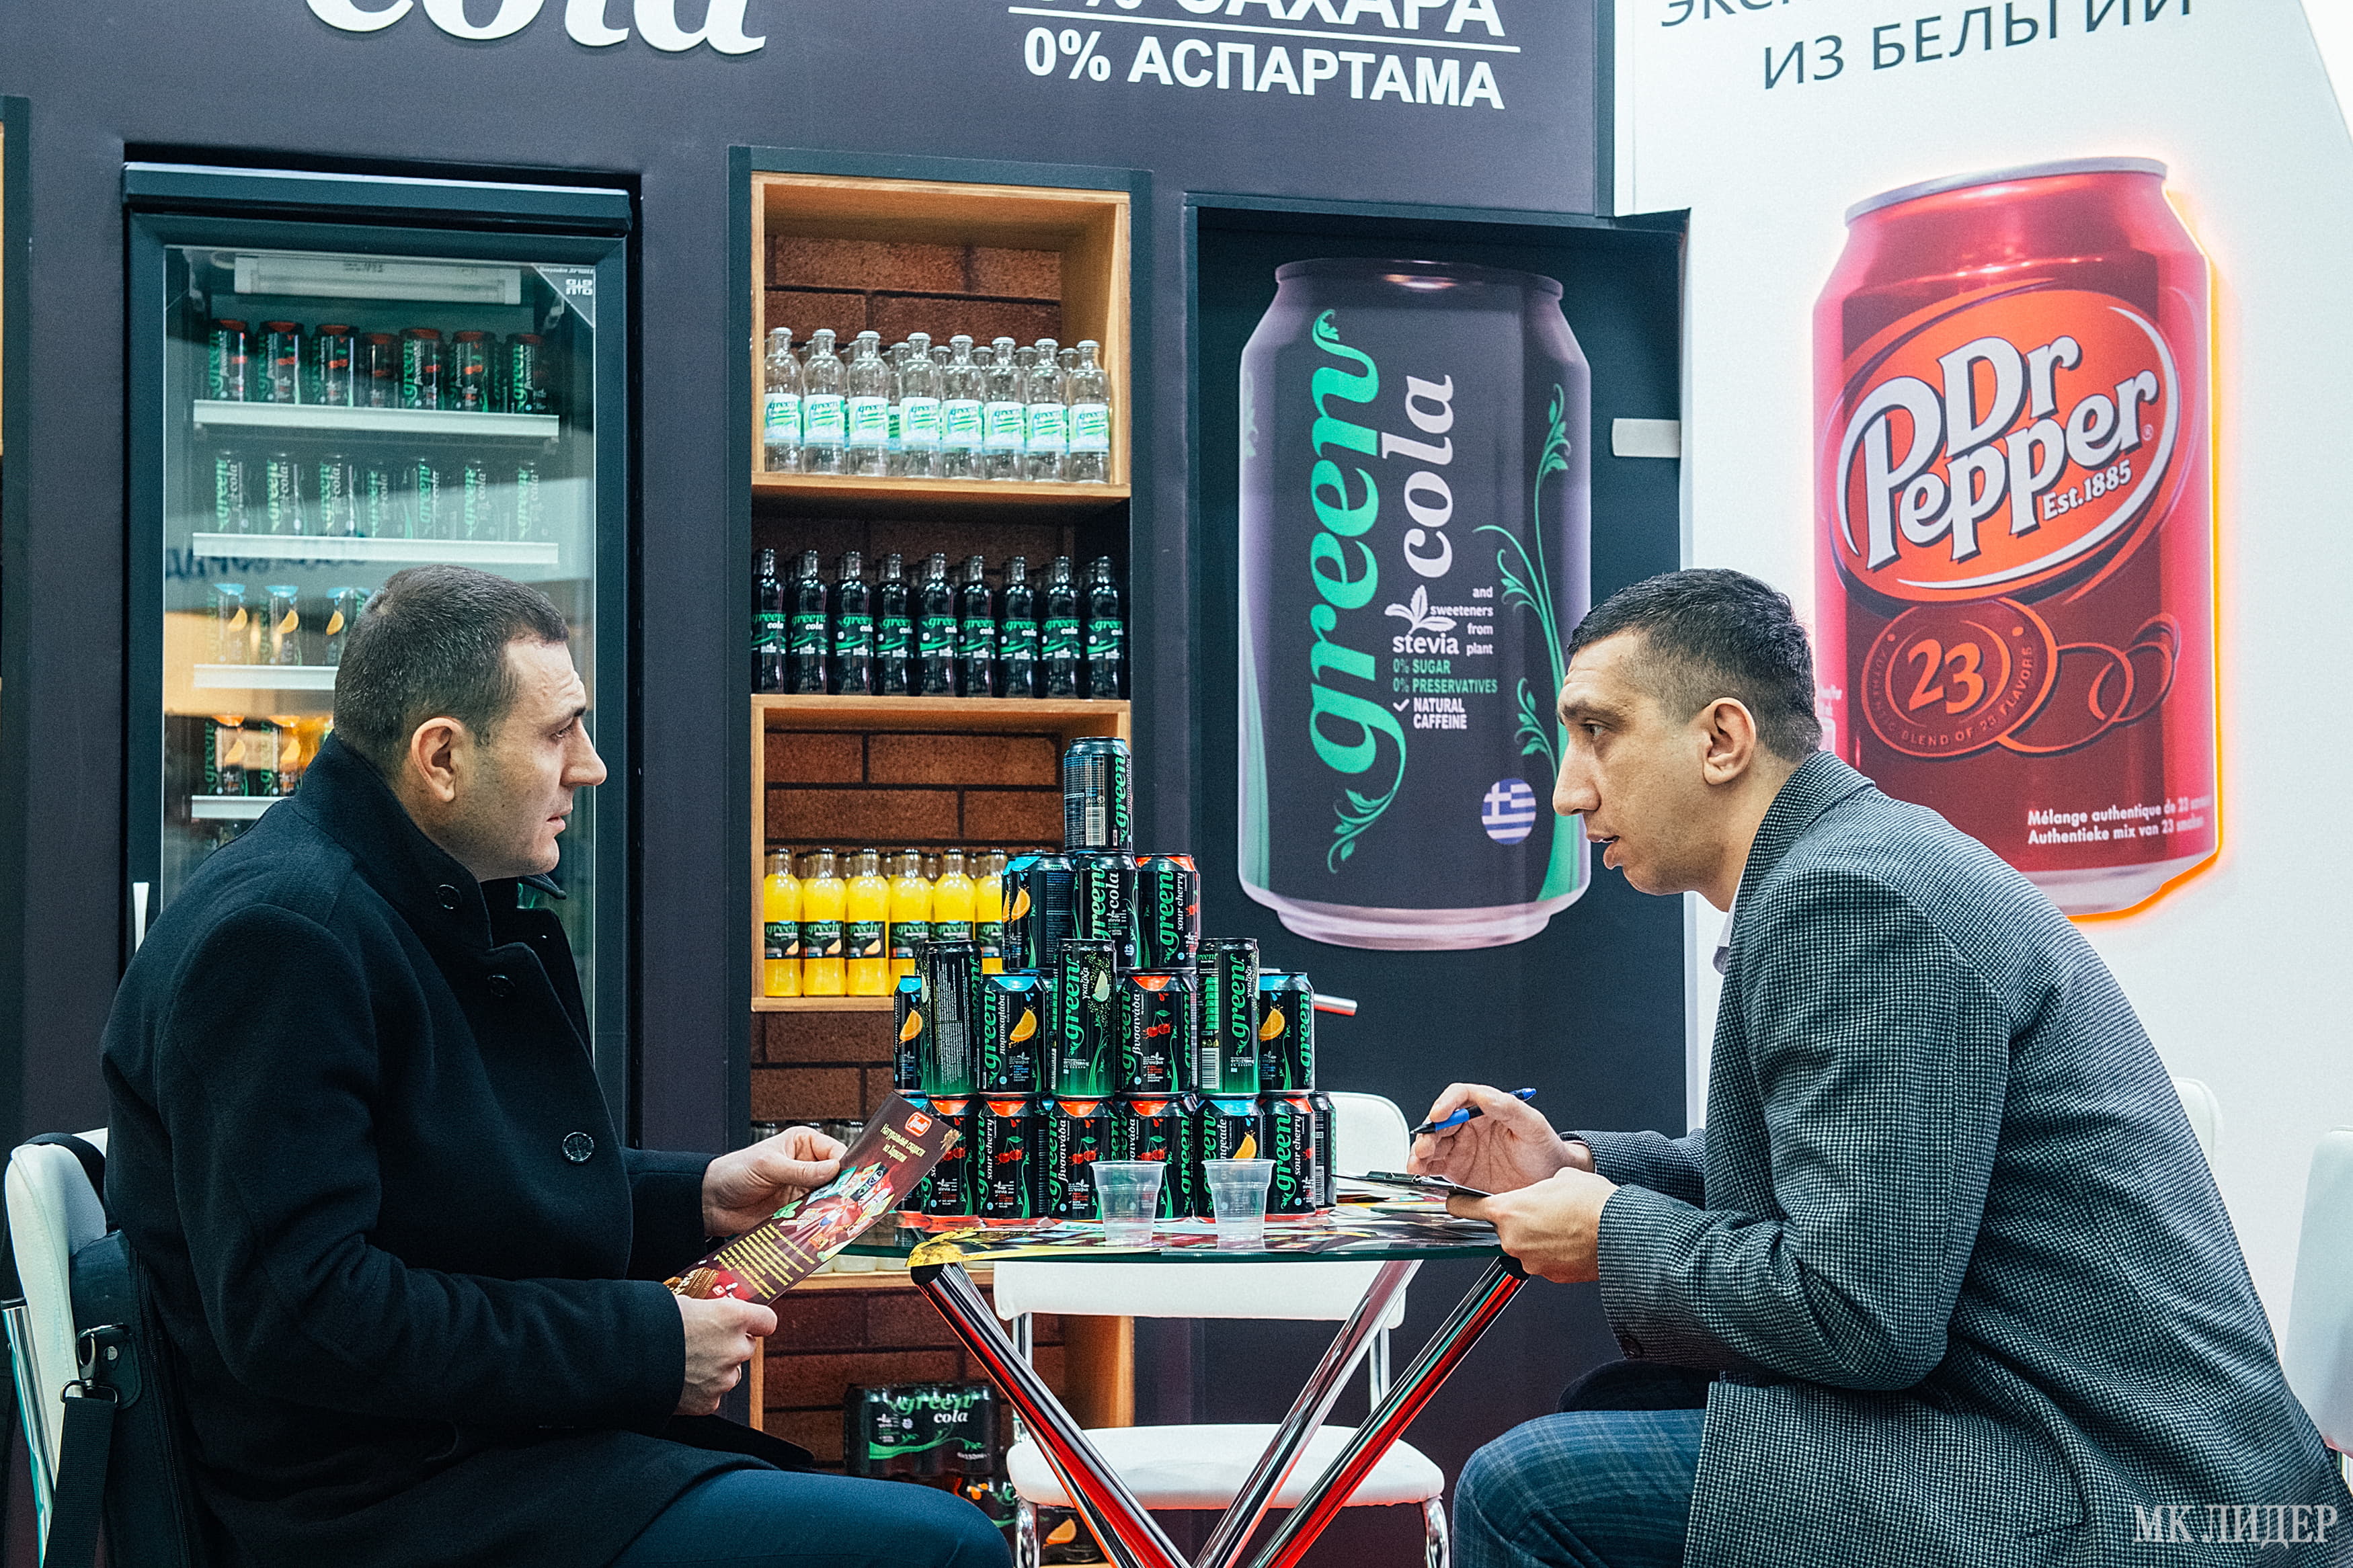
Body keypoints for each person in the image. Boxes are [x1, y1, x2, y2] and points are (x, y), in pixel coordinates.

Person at [1412, 569, 2347, 1567]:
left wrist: (1614, 1231)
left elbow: (1860, 1314)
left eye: (1598, 730)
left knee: (1526, 1493)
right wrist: (1583, 1169)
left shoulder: (1855, 901)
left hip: (2136, 1492)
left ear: (1722, 739)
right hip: (2073, 1437)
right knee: (1613, 1409)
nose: (1568, 789)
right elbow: (1830, 1180)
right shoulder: (1854, 865)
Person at [104, 566, 1007, 1568]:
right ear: (442, 757)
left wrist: (700, 1195)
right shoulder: (284, 941)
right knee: (948, 1547)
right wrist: (646, 1345)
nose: (592, 767)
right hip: (380, 1509)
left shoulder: (373, 900)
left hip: (470, 1460)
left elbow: (446, 1187)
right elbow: (307, 1314)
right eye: (558, 732)